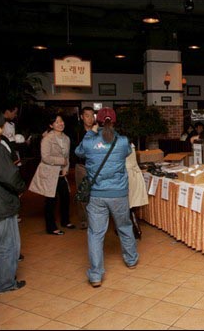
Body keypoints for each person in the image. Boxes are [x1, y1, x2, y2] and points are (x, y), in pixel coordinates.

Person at [75, 107, 138, 288]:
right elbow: (126, 153)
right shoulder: (123, 141)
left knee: (95, 234)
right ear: (114, 121)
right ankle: (131, 259)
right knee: (124, 226)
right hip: (118, 193)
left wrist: (90, 134)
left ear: (97, 121)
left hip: (96, 195)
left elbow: (79, 152)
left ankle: (95, 274)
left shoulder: (89, 141)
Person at [0, 109, 27, 295]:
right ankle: (4, 283)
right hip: (1, 204)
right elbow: (8, 176)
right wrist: (20, 187)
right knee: (8, 244)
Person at [29, 114, 74, 235]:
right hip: (50, 173)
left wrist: (66, 168)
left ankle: (65, 221)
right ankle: (51, 227)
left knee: (65, 197)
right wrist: (62, 161)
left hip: (61, 173)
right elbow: (45, 157)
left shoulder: (66, 138)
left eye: (62, 121)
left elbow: (67, 156)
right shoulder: (47, 138)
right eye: (57, 122)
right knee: (50, 201)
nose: (61, 124)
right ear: (51, 125)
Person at [74, 106, 96, 229]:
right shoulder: (77, 132)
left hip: (95, 166)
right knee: (82, 193)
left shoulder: (98, 131)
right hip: (82, 166)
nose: (90, 118)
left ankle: (95, 219)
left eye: (92, 115)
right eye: (87, 116)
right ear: (82, 117)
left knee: (95, 194)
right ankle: (84, 220)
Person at [126, 139, 148, 238]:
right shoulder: (131, 144)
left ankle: (135, 229)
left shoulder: (119, 146)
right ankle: (136, 229)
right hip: (134, 175)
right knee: (131, 205)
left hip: (126, 176)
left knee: (127, 205)